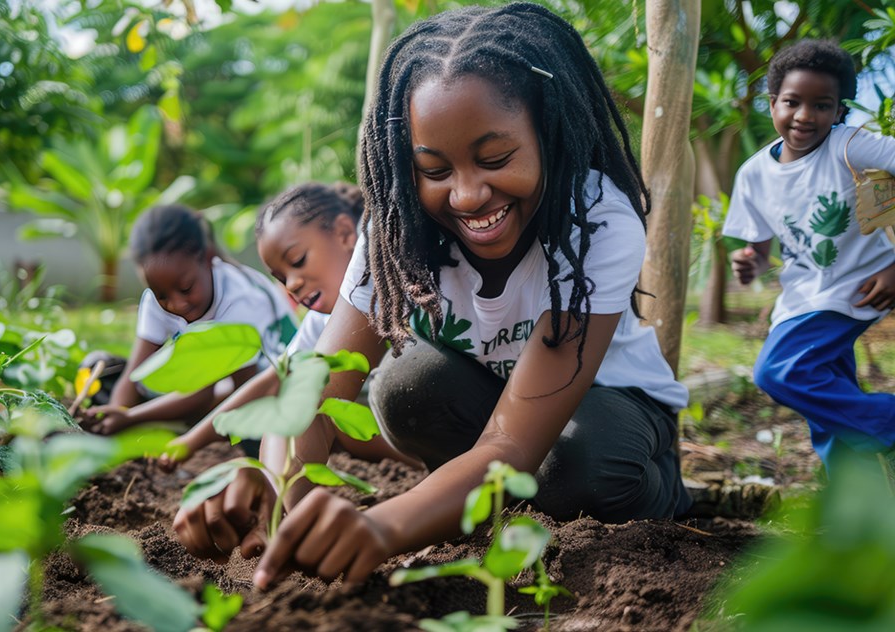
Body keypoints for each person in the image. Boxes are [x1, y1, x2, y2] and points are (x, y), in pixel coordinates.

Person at [173, 2, 691, 585]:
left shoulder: (594, 218)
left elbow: (511, 441)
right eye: (435, 170)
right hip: (491, 406)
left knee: (577, 467)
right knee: (405, 387)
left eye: (495, 159)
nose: (468, 195)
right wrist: (277, 488)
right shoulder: (397, 231)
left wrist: (384, 527)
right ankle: (475, 503)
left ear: (548, 132)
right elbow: (311, 398)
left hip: (609, 406)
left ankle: (663, 488)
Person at [724, 39, 895, 472]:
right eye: (792, 102)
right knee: (830, 411)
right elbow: (762, 253)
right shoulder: (754, 174)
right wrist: (750, 262)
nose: (804, 116)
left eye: (822, 105)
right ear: (772, 103)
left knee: (779, 372)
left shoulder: (847, 146)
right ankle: (857, 511)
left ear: (839, 111)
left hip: (854, 289)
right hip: (802, 295)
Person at [159, 182, 369, 468]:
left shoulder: (389, 289)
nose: (292, 284)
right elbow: (273, 379)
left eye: (298, 260)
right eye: (281, 278)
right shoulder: (319, 322)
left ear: (345, 234)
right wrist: (192, 440)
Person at [79, 204, 298, 435]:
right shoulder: (157, 298)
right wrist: (115, 414)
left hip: (260, 385)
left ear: (206, 258)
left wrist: (131, 417)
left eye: (186, 288)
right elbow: (135, 373)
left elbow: (216, 394)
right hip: (203, 389)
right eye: (161, 295)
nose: (176, 304)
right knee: (101, 372)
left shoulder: (239, 299)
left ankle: (168, 426)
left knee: (240, 405)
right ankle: (161, 422)